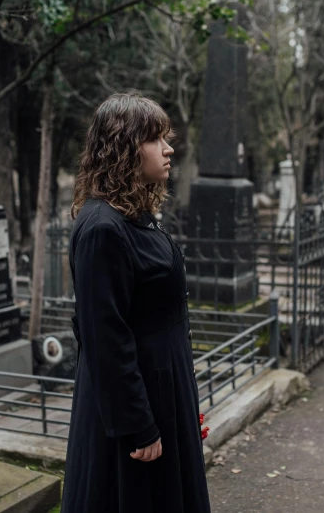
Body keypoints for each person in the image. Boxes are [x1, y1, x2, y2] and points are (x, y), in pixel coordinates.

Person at [60, 92, 211, 513]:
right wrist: (139, 426)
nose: (168, 149)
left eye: (166, 138)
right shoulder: (102, 229)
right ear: (124, 148)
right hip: (135, 404)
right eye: (155, 139)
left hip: (162, 388)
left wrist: (182, 404)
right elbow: (105, 337)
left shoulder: (133, 216)